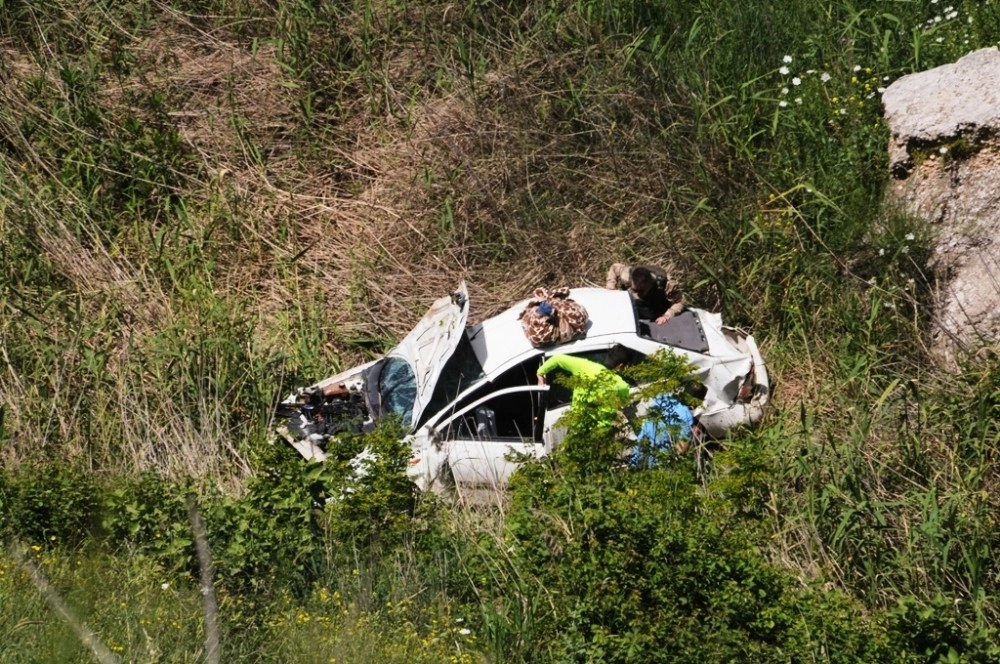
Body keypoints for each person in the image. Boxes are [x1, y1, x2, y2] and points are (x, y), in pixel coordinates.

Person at [536, 352, 631, 426]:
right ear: (620, 366)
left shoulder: (585, 366)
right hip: (601, 432)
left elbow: (557, 358)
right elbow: (622, 405)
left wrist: (540, 372)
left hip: (578, 425)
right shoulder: (621, 384)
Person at [605, 263, 685, 324]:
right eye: (634, 289)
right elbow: (615, 267)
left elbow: (680, 301)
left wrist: (668, 315)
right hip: (633, 306)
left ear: (650, 283)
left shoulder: (666, 285)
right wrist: (611, 283)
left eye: (641, 290)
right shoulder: (627, 275)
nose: (637, 293)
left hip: (655, 309)